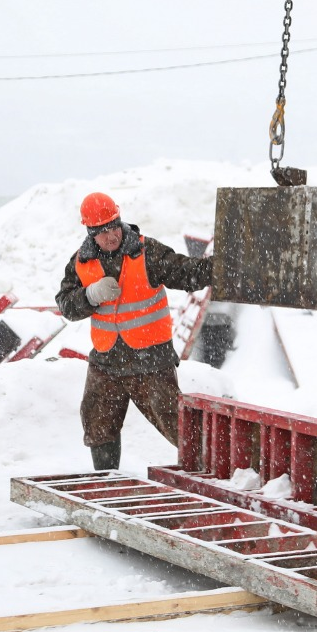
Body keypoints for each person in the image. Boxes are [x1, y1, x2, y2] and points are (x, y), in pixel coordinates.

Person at [55, 192, 214, 471]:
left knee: (176, 424)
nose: (111, 235)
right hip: (106, 361)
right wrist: (90, 295)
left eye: (113, 226)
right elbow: (66, 306)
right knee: (97, 422)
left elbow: (188, 272)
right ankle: (106, 481)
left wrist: (221, 266)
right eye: (102, 231)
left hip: (150, 359)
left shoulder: (146, 252)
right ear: (90, 232)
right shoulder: (81, 262)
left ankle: (211, 471)